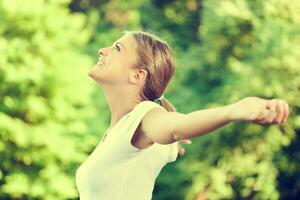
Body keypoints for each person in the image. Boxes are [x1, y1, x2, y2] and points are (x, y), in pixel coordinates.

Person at [76, 30, 289, 200]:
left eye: (117, 48)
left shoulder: (144, 116)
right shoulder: (122, 130)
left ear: (137, 75)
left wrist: (233, 111)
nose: (103, 50)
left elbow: (176, 126)